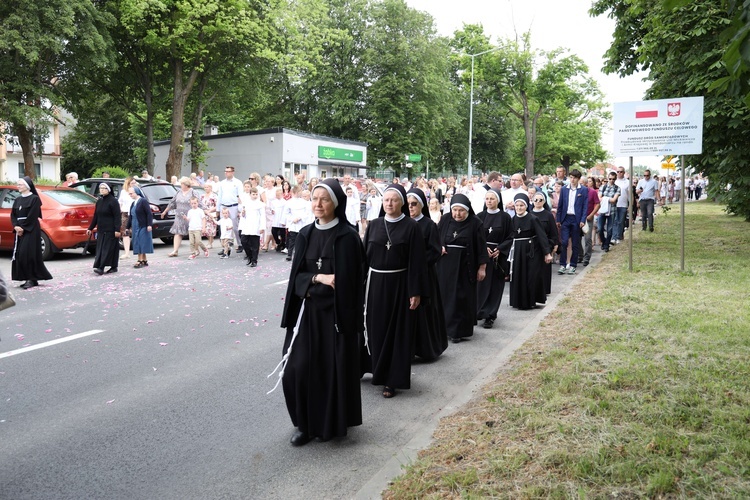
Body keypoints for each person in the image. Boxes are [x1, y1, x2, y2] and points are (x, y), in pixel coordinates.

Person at [270, 179, 365, 446]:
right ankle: (304, 424)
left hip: (335, 316)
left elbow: (353, 282)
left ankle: (329, 425)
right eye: (314, 199)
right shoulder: (305, 234)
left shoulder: (347, 238)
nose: (318, 204)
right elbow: (296, 277)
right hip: (309, 313)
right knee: (296, 370)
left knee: (330, 370)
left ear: (335, 203)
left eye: (324, 199)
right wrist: (318, 279)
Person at [362, 184, 427, 398]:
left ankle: (392, 380)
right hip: (375, 284)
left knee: (397, 333)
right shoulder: (374, 225)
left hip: (399, 284)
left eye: (394, 200)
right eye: (386, 200)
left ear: (402, 203)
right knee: (375, 329)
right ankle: (375, 370)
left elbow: (417, 262)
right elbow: (364, 258)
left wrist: (415, 291)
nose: (389, 203)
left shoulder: (411, 227)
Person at [436, 193, 488, 341]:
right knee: (445, 297)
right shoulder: (445, 219)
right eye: (455, 210)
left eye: (461, 211)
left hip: (465, 266)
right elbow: (436, 238)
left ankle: (457, 331)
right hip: (445, 266)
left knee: (460, 298)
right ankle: (444, 329)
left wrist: (482, 268)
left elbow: (481, 247)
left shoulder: (475, 223)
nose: (457, 214)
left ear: (467, 210)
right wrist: (440, 246)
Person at [406, 188, 447, 361]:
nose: (410, 208)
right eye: (407, 204)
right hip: (406, 275)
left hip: (425, 275)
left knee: (425, 311)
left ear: (421, 205)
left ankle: (427, 349)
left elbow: (435, 250)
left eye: (413, 204)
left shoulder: (429, 225)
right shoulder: (404, 223)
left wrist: (418, 264)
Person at [502, 193, 553, 310]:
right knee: (518, 275)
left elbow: (542, 236)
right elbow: (509, 236)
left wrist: (547, 252)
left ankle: (530, 301)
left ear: (526, 206)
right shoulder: (513, 219)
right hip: (517, 250)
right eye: (517, 206)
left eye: (521, 205)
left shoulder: (533, 219)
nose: (519, 208)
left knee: (531, 276)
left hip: (531, 251)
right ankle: (518, 301)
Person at [476, 189, 513, 329]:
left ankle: (490, 315)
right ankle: (480, 311)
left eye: (492, 198)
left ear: (498, 200)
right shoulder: (480, 216)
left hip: (498, 256)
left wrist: (500, 249)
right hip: (483, 255)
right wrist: (483, 247)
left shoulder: (505, 217)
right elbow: (476, 236)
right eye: (487, 199)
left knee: (495, 286)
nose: (489, 201)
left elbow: (510, 236)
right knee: (481, 285)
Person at [11, 177, 53, 289]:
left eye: (20, 184)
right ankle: (29, 278)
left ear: (27, 186)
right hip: (19, 229)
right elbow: (13, 215)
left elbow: (33, 216)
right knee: (20, 254)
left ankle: (31, 278)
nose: (18, 186)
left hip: (30, 229)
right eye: (18, 184)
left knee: (28, 254)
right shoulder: (17, 199)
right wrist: (16, 226)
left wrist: (22, 228)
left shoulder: (34, 199)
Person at [555, 169, 588, 275]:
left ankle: (573, 265)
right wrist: (558, 219)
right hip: (565, 218)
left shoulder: (583, 190)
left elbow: (585, 207)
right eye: (571, 177)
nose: (572, 180)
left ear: (578, 179)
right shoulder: (564, 189)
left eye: (574, 178)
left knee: (575, 243)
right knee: (564, 242)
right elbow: (560, 205)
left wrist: (582, 220)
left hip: (576, 219)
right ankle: (563, 264)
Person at [87, 183, 121, 275]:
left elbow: (117, 216)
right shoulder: (99, 201)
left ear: (109, 189)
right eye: (100, 188)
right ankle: (114, 267)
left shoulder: (113, 201)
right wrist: (90, 228)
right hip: (101, 229)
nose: (101, 190)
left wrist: (117, 230)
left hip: (111, 229)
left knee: (107, 249)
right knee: (101, 248)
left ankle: (101, 267)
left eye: (104, 188)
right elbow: (96, 216)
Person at [530, 193, 559, 295]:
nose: (538, 202)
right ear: (532, 201)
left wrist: (555, 245)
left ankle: (544, 289)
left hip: (546, 244)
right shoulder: (529, 213)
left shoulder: (548, 215)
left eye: (540, 200)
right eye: (536, 200)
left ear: (544, 201)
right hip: (532, 245)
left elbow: (553, 231)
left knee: (544, 268)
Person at [162, 177, 197, 257]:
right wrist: (165, 211)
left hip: (190, 215)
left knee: (193, 233)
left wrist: (206, 211)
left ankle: (195, 250)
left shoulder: (193, 192)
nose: (181, 185)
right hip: (179, 216)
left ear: (186, 185)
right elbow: (172, 202)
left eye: (182, 184)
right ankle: (175, 251)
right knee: (177, 233)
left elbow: (198, 202)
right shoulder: (178, 192)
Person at [215, 166, 243, 254]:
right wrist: (217, 209)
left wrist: (239, 209)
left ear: (233, 172)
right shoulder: (222, 183)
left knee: (235, 227)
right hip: (224, 206)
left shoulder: (237, 182)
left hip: (233, 206)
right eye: (225, 171)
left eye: (228, 171)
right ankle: (224, 247)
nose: (226, 173)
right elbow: (219, 196)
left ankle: (239, 244)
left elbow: (240, 196)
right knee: (223, 227)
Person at [127, 186, 154, 268]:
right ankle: (144, 260)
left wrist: (149, 224)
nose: (130, 195)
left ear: (136, 193)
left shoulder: (143, 201)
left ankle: (140, 260)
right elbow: (131, 216)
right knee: (137, 241)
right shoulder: (133, 203)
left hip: (142, 225)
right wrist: (127, 227)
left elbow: (149, 213)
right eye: (129, 194)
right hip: (135, 225)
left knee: (141, 242)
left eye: (131, 193)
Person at [239, 185, 265, 267]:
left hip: (256, 225)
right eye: (253, 194)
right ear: (250, 194)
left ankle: (254, 260)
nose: (255, 196)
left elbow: (262, 216)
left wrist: (262, 227)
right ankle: (249, 256)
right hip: (247, 225)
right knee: (244, 241)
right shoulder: (246, 203)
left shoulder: (260, 204)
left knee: (255, 244)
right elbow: (243, 215)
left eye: (256, 194)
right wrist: (242, 214)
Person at [598, 172, 621, 253]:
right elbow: (599, 198)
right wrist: (608, 199)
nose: (611, 180)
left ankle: (607, 244)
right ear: (607, 178)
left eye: (613, 179)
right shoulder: (603, 187)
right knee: (600, 229)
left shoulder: (617, 188)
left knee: (610, 229)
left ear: (615, 179)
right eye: (610, 179)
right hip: (602, 210)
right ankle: (604, 242)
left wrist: (605, 198)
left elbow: (614, 200)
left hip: (612, 211)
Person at [582, 177, 600, 267]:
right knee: (576, 238)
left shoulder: (592, 192)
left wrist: (592, 214)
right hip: (578, 218)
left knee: (587, 238)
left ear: (586, 184)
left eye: (582, 183)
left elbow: (597, 204)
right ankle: (580, 255)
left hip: (588, 217)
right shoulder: (576, 192)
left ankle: (586, 258)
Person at [118, 177, 136, 259]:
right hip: (125, 213)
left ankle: (138, 251)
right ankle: (127, 252)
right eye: (132, 183)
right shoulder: (123, 192)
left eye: (135, 183)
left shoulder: (136, 191)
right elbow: (120, 202)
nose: (134, 184)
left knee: (136, 232)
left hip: (134, 213)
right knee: (125, 233)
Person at [199, 182, 218, 248]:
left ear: (211, 188)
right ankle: (210, 241)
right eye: (205, 187)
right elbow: (200, 205)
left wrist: (209, 211)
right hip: (204, 214)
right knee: (205, 229)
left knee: (211, 229)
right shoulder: (202, 196)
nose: (206, 188)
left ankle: (210, 243)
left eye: (207, 187)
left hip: (211, 214)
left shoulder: (214, 196)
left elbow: (217, 206)